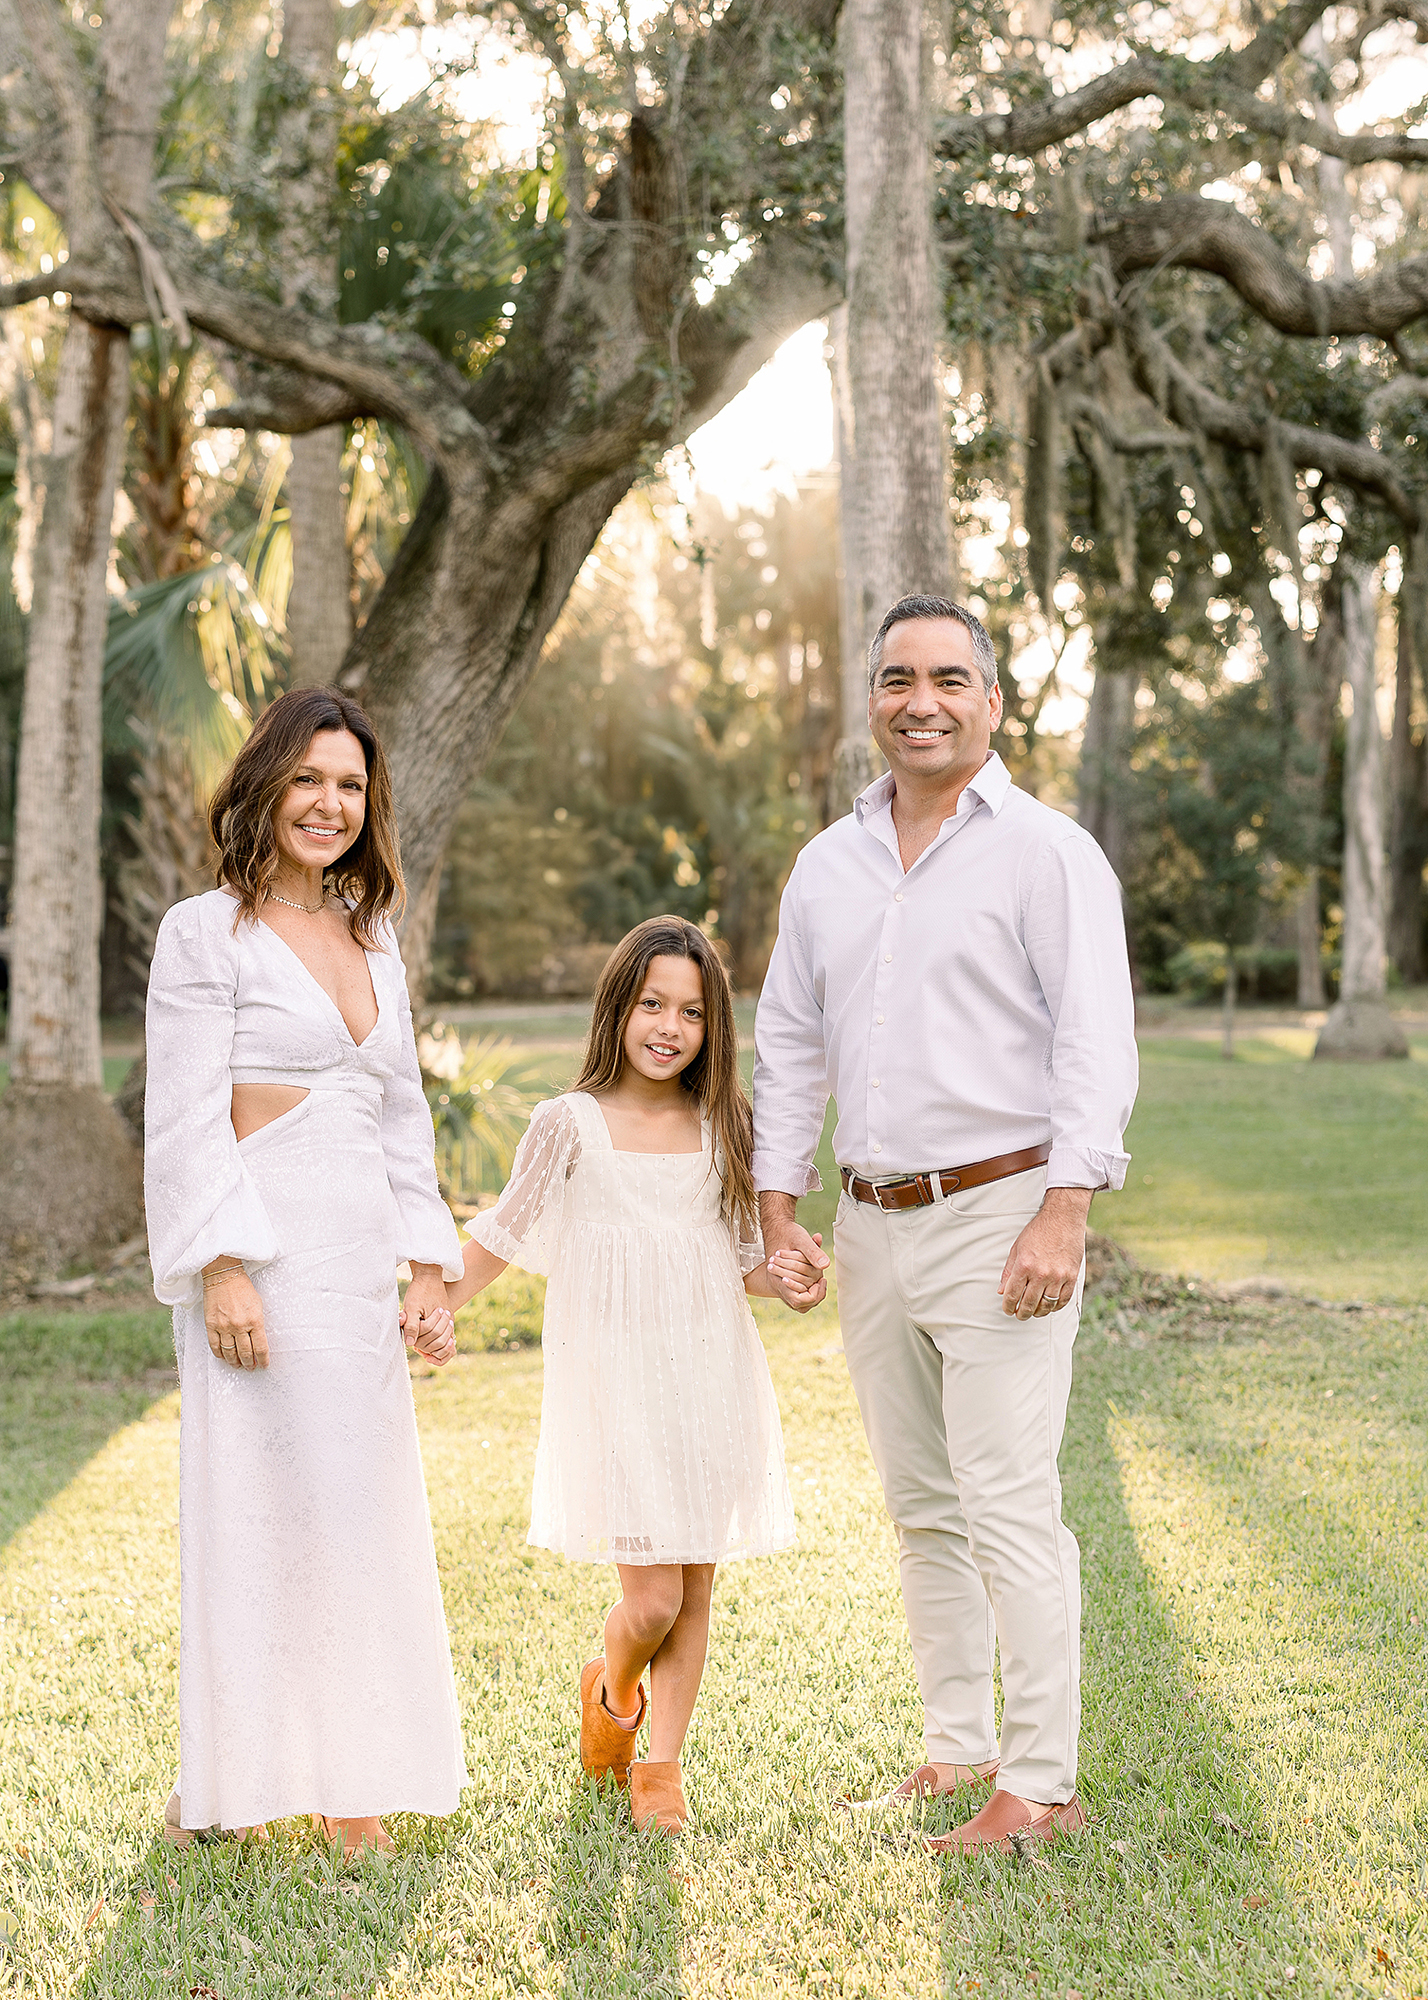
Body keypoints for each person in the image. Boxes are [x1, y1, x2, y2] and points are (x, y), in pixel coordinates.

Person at [754, 594, 1138, 1856]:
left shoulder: (1046, 851)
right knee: (921, 1501)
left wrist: (1064, 1209)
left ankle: (1040, 1781)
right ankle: (958, 1745)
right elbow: (792, 1041)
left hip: (1003, 1215)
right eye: (897, 678)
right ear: (873, 697)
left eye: (950, 678)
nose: (921, 699)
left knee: (1009, 1500)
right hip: (869, 1221)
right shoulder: (829, 864)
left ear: (992, 701)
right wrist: (778, 1203)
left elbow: (1094, 1040)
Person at [144, 686, 468, 1858]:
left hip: (355, 1261)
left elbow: (401, 1110)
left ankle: (356, 1780)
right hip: (261, 1254)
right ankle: (222, 1784)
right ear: (267, 784)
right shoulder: (204, 930)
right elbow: (182, 1116)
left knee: (361, 1510)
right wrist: (221, 1265)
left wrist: (429, 1264)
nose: (330, 803)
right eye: (309, 778)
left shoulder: (373, 935)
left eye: (350, 784)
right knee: (260, 1514)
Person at [444, 916, 820, 1834]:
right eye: (652, 1003)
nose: (669, 1026)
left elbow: (740, 1261)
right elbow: (500, 1232)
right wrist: (430, 1301)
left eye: (692, 1012)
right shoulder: (565, 1124)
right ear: (619, 1005)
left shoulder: (722, 1124)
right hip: (614, 1384)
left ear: (712, 1028)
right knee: (649, 1600)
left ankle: (662, 1767)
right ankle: (611, 1689)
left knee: (695, 1589)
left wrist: (789, 1274)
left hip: (709, 1374)